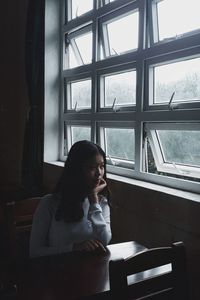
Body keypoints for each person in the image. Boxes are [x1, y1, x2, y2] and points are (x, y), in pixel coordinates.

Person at [29, 140, 112, 258]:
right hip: (56, 272)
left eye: (101, 166)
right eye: (91, 167)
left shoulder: (101, 203)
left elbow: (105, 241)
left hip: (90, 271)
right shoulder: (49, 203)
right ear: (76, 170)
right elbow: (35, 252)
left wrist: (94, 200)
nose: (99, 173)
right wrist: (73, 248)